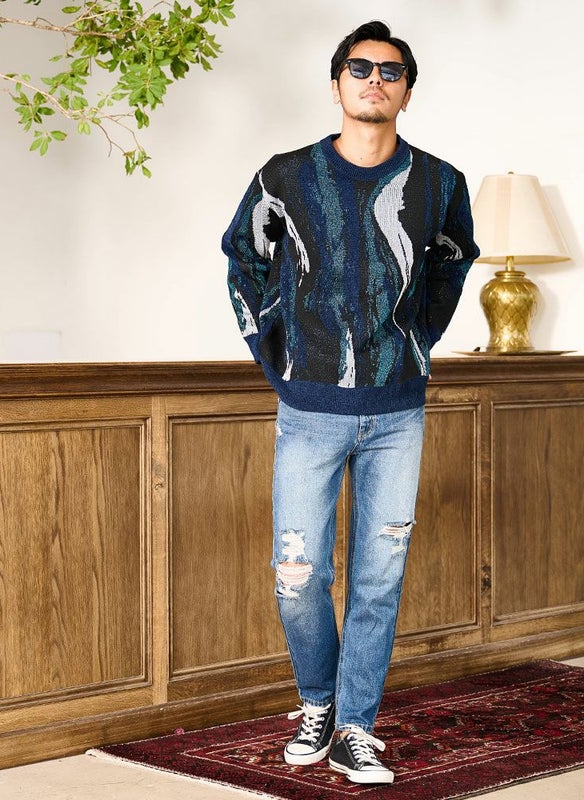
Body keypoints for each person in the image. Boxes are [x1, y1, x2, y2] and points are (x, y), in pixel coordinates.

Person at [222, 20, 479, 785]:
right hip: (309, 409)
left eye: (390, 71)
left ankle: (356, 726)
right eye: (360, 68)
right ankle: (318, 701)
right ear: (336, 84)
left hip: (398, 411)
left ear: (407, 91)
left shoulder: (440, 184)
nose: (375, 80)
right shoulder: (285, 176)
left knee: (378, 578)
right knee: (298, 574)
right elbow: (243, 258)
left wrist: (417, 340)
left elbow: (451, 266)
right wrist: (276, 355)